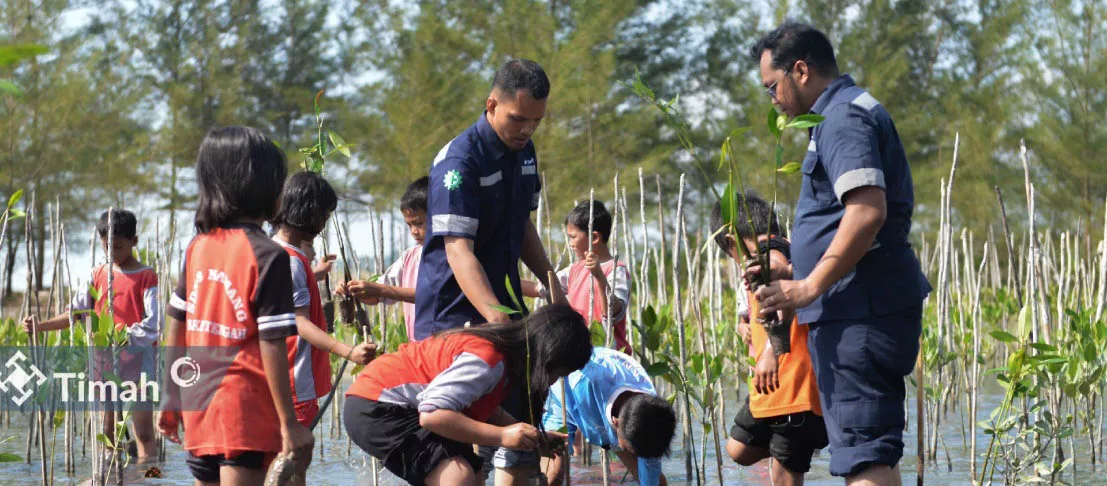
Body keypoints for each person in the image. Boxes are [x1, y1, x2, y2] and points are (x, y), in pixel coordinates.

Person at [748, 22, 931, 485]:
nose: (772, 99)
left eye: (772, 86)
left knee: (864, 453)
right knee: (866, 449)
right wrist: (793, 268)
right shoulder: (846, 112)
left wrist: (808, 285)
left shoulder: (842, 117)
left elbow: (867, 211)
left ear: (801, 70)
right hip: (857, 308)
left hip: (859, 312)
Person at [415, 58, 560, 484]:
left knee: (520, 432)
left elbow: (523, 225)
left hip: (505, 317)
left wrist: (551, 281)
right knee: (457, 456)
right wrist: (497, 319)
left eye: (536, 121)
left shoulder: (525, 152)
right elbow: (458, 250)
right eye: (518, 119)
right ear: (491, 104)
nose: (527, 129)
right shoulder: (459, 162)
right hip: (453, 321)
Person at [158, 126, 314, 486]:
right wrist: (289, 424)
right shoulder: (267, 255)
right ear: (265, 188)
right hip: (244, 411)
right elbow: (272, 343)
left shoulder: (198, 247)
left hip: (198, 406)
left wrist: (169, 395)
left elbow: (176, 327)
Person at [343, 303, 592, 486]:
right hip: (377, 404)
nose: (551, 381)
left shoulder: (507, 362)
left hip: (403, 406)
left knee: (474, 476)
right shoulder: (488, 358)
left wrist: (536, 439)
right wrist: (504, 436)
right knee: (457, 477)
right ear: (547, 358)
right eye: (556, 373)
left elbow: (488, 410)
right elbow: (432, 415)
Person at [23, 209, 160, 460]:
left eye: (118, 247)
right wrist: (40, 326)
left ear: (134, 241)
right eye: (107, 247)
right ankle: (111, 472)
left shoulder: (146, 276)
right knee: (107, 429)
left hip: (140, 360)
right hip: (103, 360)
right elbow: (75, 314)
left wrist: (125, 336)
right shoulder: (97, 274)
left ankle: (148, 472)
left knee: (144, 432)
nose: (112, 253)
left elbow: (153, 323)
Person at [710, 194, 828, 485]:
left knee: (784, 474)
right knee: (738, 449)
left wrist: (771, 353)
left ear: (729, 241)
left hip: (791, 387)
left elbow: (775, 263)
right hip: (773, 388)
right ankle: (804, 443)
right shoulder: (778, 251)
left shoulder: (772, 252)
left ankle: (800, 445)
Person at [271, 171, 377, 430]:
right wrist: (349, 351)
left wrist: (315, 275)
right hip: (293, 381)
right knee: (294, 461)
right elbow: (301, 324)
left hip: (271, 381)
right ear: (312, 214)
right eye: (326, 216)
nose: (325, 224)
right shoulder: (293, 262)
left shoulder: (272, 252)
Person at [541, 347, 675, 486]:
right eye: (634, 452)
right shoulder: (586, 384)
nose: (639, 458)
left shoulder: (652, 415)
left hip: (612, 407)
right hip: (566, 392)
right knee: (554, 474)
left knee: (655, 482)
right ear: (615, 423)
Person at [527, 201, 632, 353]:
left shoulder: (616, 270)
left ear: (594, 237)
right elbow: (540, 288)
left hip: (608, 356)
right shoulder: (575, 269)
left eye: (573, 237)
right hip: (580, 354)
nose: (570, 243)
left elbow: (612, 310)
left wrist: (599, 276)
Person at [337, 176, 428, 342]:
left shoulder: (452, 256)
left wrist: (381, 290)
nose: (414, 231)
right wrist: (358, 290)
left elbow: (434, 296)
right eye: (409, 225)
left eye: (419, 223)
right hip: (418, 349)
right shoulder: (410, 257)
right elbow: (379, 294)